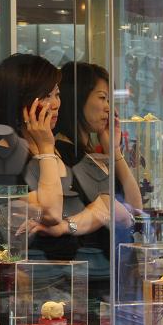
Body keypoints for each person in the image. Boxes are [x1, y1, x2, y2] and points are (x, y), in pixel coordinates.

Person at [23, 62, 140, 260]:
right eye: (102, 98)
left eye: (110, 99)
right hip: (88, 268)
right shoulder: (62, 154)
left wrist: (115, 151)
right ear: (78, 98)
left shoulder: (86, 154)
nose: (108, 108)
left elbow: (135, 206)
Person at [0, 53, 83, 260]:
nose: (56, 104)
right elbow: (51, 213)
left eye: (57, 94)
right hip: (32, 272)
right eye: (46, 96)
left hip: (72, 272)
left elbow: (105, 205)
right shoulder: (4, 157)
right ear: (21, 101)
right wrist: (45, 147)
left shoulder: (64, 150)